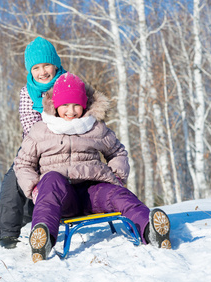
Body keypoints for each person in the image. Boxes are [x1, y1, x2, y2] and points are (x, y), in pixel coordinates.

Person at [14, 73, 171, 263]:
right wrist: (35, 188)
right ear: (55, 106)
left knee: (119, 195)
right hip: (62, 196)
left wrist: (117, 177)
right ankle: (42, 238)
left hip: (94, 190)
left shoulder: (95, 127)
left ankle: (150, 229)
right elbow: (23, 164)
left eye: (76, 105)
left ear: (84, 105)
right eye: (64, 105)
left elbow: (118, 152)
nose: (70, 111)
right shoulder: (41, 130)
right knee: (51, 180)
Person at [0, 37, 67, 249]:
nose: (42, 72)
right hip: (35, 142)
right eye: (36, 67)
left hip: (68, 138)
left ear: (55, 64)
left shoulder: (68, 82)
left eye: (46, 65)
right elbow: (29, 122)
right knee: (16, 176)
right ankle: (8, 231)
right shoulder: (27, 92)